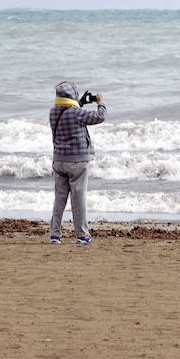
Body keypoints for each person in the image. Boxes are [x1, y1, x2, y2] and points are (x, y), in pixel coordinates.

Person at [49, 81, 106, 244]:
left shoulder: (53, 112)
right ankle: (81, 235)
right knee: (78, 198)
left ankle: (55, 235)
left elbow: (69, 113)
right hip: (77, 161)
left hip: (59, 160)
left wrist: (81, 102)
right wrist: (100, 102)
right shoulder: (77, 113)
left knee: (59, 198)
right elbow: (99, 117)